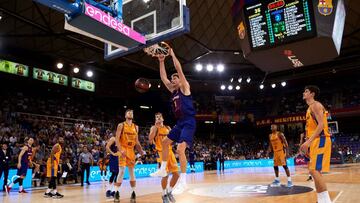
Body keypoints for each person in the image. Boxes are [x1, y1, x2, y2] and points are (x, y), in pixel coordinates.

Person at [150, 47, 196, 194]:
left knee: (180, 149)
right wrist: (161, 61)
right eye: (172, 79)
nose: (172, 80)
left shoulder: (184, 88)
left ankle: (183, 181)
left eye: (174, 78)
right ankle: (163, 169)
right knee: (164, 143)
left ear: (179, 80)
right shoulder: (173, 91)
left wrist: (172, 54)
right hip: (180, 122)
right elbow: (163, 77)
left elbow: (179, 69)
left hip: (189, 121)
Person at [300, 85, 332, 203]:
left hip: (321, 139)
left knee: (314, 171)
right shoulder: (309, 109)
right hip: (315, 141)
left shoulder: (316, 105)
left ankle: (326, 201)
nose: (304, 93)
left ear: (312, 94)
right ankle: (321, 200)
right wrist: (306, 142)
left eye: (306, 91)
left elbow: (321, 125)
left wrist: (308, 142)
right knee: (314, 171)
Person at [114, 109, 145, 202]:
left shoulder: (136, 127)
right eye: (128, 112)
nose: (130, 113)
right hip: (123, 149)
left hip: (131, 151)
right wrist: (120, 149)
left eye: (132, 112)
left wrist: (141, 150)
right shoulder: (121, 125)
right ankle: (116, 192)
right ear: (125, 115)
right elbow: (116, 139)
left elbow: (137, 141)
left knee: (132, 172)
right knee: (122, 171)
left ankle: (133, 193)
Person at [149, 112, 179, 203]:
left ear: (163, 119)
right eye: (156, 117)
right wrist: (154, 128)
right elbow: (150, 139)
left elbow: (173, 140)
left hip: (170, 152)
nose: (158, 118)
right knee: (165, 175)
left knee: (176, 175)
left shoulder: (167, 128)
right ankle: (164, 194)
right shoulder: (154, 128)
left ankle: (169, 191)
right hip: (161, 153)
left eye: (159, 117)